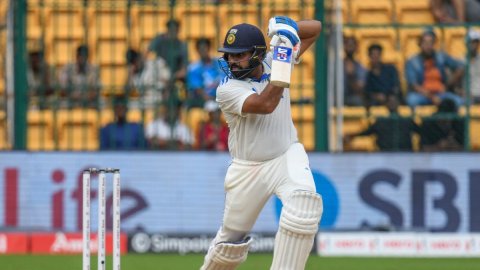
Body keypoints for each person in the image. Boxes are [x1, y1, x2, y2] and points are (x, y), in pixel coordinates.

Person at [200, 17, 323, 270]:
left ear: (258, 54)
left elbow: (316, 29)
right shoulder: (227, 89)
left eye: (239, 55)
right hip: (248, 169)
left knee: (305, 207)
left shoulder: (275, 58)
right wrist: (282, 60)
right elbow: (266, 104)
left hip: (285, 155)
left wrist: (288, 29)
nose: (232, 62)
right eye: (229, 56)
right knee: (229, 247)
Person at [405, 28, 464, 108]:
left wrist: (447, 85)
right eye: (425, 43)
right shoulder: (412, 61)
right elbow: (414, 85)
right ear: (420, 44)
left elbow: (460, 67)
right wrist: (432, 97)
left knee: (459, 101)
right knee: (412, 100)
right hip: (422, 95)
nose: (428, 46)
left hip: (441, 93)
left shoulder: (441, 57)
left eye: (431, 43)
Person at [344, 95, 420, 151]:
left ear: (398, 103)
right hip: (385, 154)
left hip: (405, 155)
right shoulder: (381, 122)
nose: (392, 104)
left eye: (394, 102)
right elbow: (367, 132)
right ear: (386, 105)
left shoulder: (406, 121)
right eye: (390, 102)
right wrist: (352, 135)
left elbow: (420, 131)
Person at [186, 38, 225, 108]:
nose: (203, 51)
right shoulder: (193, 68)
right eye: (200, 49)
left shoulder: (221, 62)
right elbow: (198, 90)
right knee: (212, 106)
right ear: (197, 50)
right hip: (203, 100)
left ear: (209, 48)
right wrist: (212, 99)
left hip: (223, 97)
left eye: (205, 48)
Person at [148, 19, 188, 83]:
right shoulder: (160, 39)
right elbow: (147, 52)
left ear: (178, 31)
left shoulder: (182, 45)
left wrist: (171, 77)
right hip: (159, 75)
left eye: (175, 30)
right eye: (171, 30)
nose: (173, 32)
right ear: (167, 30)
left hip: (175, 78)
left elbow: (184, 70)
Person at [344, 35, 367, 106]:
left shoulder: (361, 68)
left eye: (352, 45)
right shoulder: (336, 66)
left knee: (358, 100)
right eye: (348, 45)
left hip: (352, 98)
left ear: (356, 48)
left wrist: (351, 76)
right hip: (336, 98)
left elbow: (359, 90)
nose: (349, 47)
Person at [465, 29, 480, 104]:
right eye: (472, 42)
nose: (474, 45)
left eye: (476, 42)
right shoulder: (460, 61)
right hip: (469, 97)